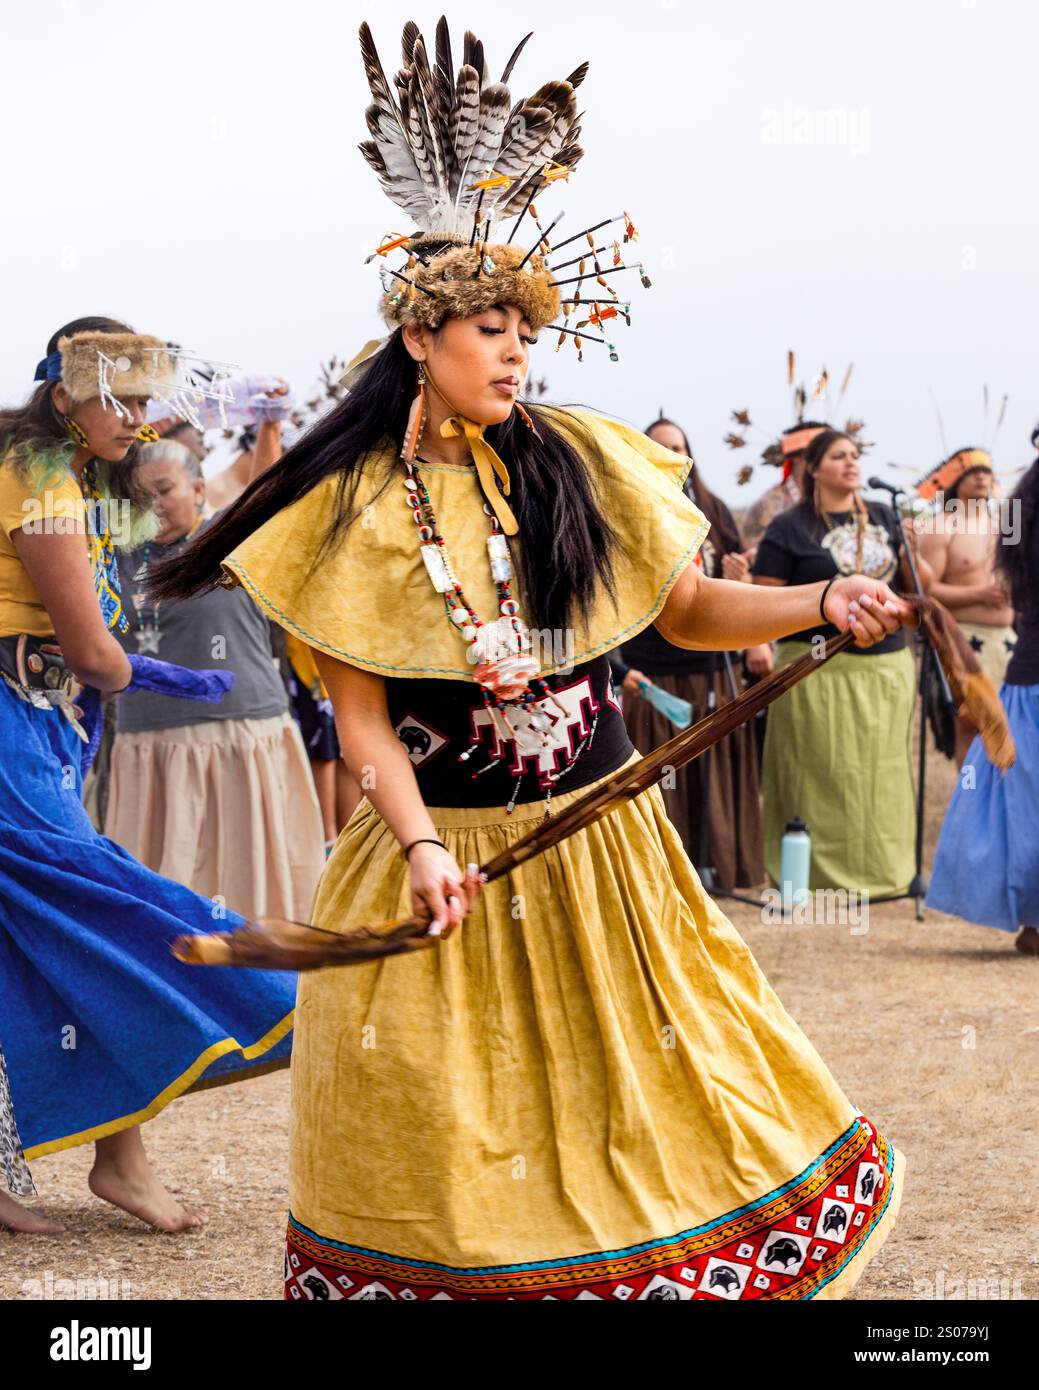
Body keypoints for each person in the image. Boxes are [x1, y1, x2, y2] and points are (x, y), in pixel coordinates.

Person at [153, 18, 910, 1301]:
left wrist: (815, 596)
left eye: (522, 327)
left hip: (598, 846)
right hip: (443, 850)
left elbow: (687, 613)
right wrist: (423, 846)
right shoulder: (344, 518)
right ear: (419, 344)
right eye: (487, 327)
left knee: (660, 1091)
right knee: (436, 1125)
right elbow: (366, 724)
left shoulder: (578, 463)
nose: (513, 348)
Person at [0, 317, 296, 1232]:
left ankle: (116, 1159)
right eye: (116, 399)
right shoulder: (41, 474)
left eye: (142, 399)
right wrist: (137, 669)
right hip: (13, 724)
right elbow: (92, 647)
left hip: (42, 723)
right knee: (103, 907)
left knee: (37, 933)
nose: (134, 417)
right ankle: (253, 988)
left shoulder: (77, 475)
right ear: (64, 397)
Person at [104, 438, 325, 920]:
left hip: (243, 739)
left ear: (200, 488)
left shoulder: (231, 536)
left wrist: (267, 422)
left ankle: (268, 985)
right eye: (140, 497)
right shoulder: (113, 555)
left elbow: (276, 487)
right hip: (148, 748)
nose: (153, 506)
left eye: (164, 489)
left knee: (253, 880)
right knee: (162, 892)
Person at [753, 428, 932, 898]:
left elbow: (919, 592)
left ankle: (887, 873)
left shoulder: (885, 515)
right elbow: (762, 601)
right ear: (814, 467)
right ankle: (809, 876)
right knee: (814, 769)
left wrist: (913, 548)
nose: (851, 463)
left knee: (881, 772)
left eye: (855, 455)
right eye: (838, 456)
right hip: (813, 666)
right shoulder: (790, 527)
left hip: (885, 668)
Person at [612, 415, 764, 889]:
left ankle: (717, 863)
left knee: (712, 770)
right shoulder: (626, 509)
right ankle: (662, 872)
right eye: (659, 448)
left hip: (711, 664)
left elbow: (734, 587)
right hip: (652, 668)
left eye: (678, 447)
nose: (671, 456)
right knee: (661, 772)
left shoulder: (713, 511)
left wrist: (740, 581)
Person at [926, 439, 1039, 953]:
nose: (981, 478)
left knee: (1025, 796)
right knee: (1020, 794)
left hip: (1019, 660)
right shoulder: (1014, 522)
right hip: (1010, 668)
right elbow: (927, 587)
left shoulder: (1012, 518)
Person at [916, 448, 1016, 764]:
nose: (982, 477)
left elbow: (1020, 573)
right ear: (955, 480)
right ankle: (969, 802)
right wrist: (978, 595)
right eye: (973, 472)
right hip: (962, 641)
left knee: (1014, 726)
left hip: (1009, 640)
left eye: (987, 471)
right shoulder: (941, 525)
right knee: (971, 727)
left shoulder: (1007, 522)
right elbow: (926, 590)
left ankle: (1005, 804)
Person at [740, 421, 828, 556]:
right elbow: (753, 564)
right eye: (824, 452)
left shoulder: (842, 502)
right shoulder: (768, 507)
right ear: (799, 457)